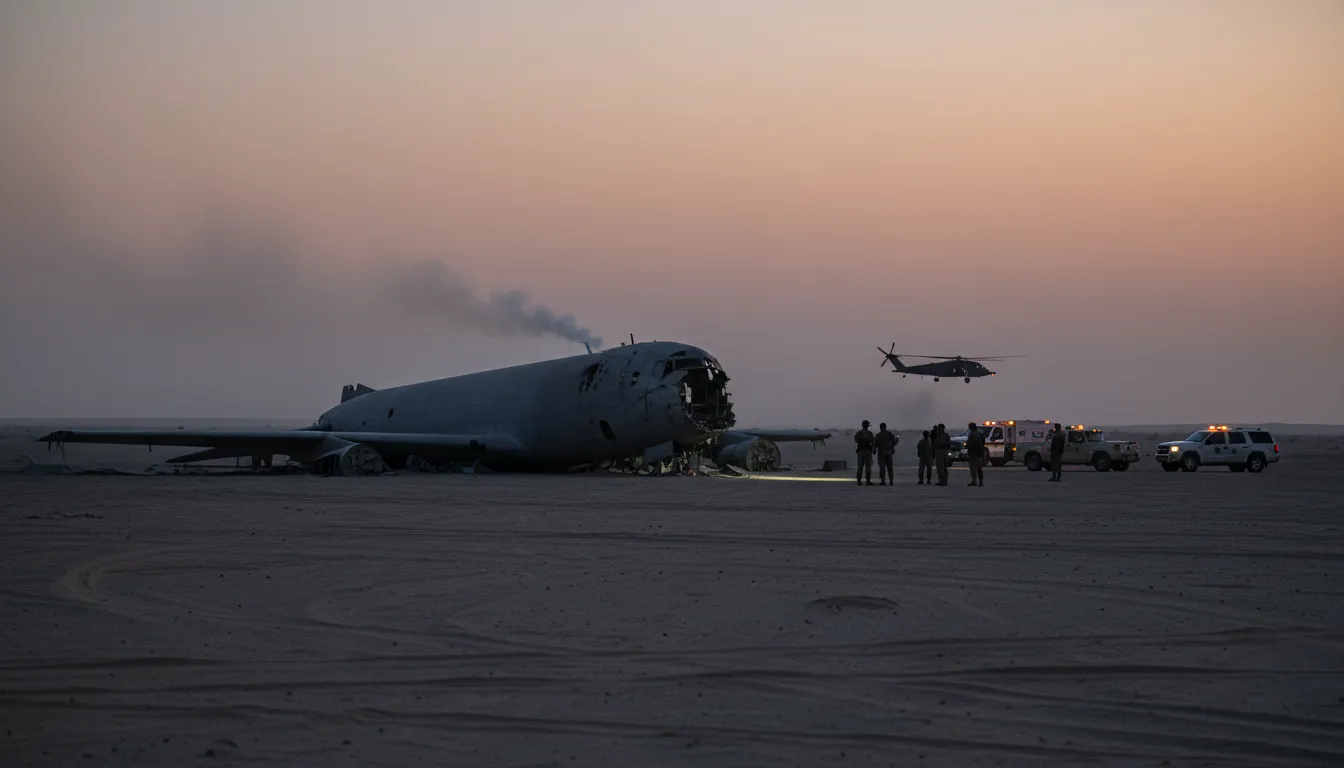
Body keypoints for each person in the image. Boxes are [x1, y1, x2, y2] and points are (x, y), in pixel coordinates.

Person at [854, 420, 875, 486]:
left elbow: (856, 440)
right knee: (868, 466)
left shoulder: (859, 433)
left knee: (860, 466)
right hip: (867, 451)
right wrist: (874, 449)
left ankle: (859, 481)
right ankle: (868, 481)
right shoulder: (869, 433)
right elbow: (873, 442)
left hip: (861, 451)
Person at [965, 421, 986, 486]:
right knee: (979, 468)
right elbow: (983, 442)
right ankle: (981, 481)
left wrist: (967, 446)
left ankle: (974, 481)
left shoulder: (972, 434)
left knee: (973, 468)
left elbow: (970, 444)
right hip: (979, 453)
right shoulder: (979, 434)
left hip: (973, 453)